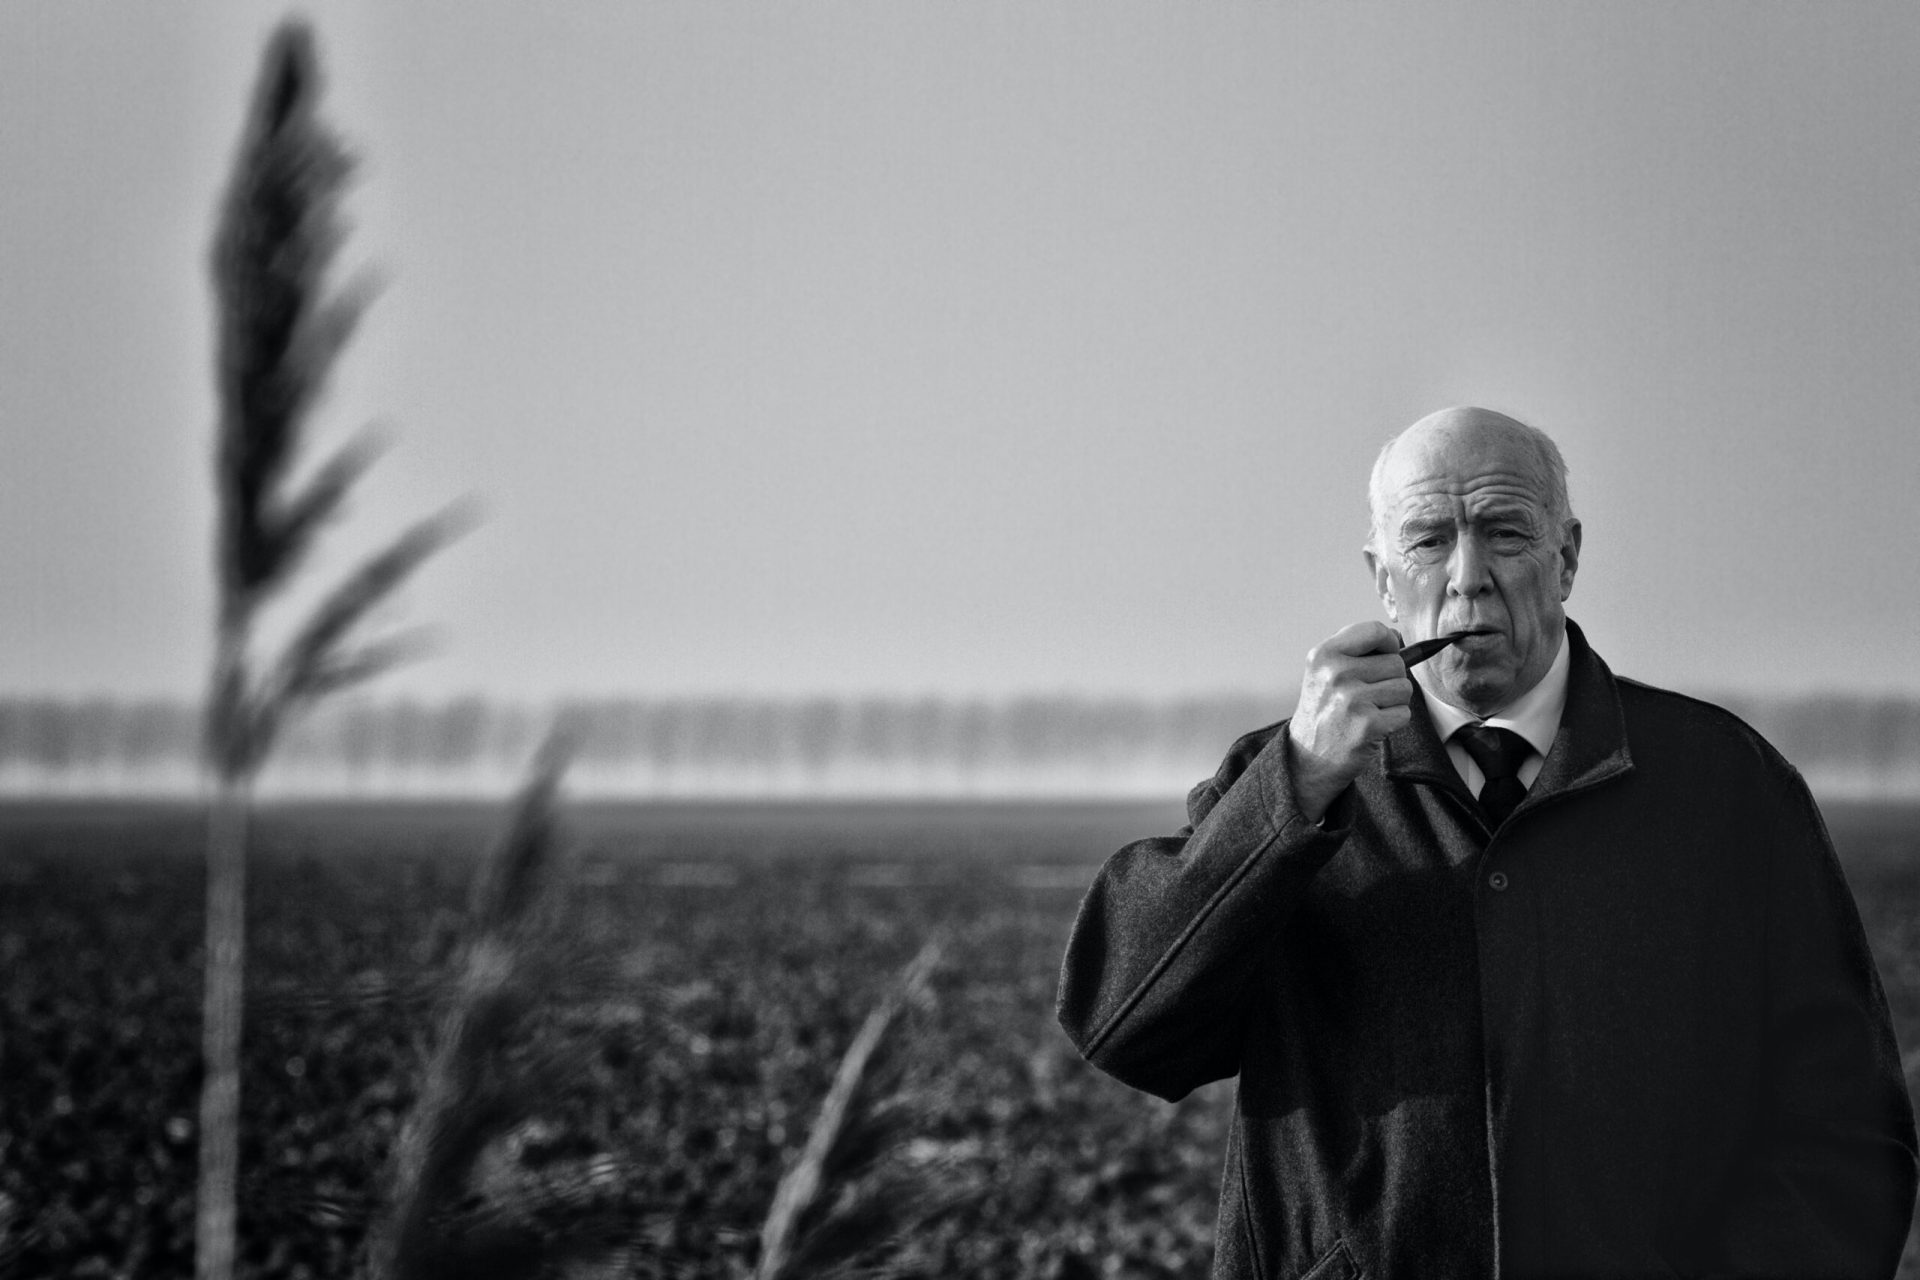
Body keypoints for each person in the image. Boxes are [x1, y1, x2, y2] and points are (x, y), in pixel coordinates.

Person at [1056, 407, 1918, 1279]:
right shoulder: (1282, 780)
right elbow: (1124, 1026)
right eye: (1428, 541)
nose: (1467, 579)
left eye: (1504, 532)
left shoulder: (1728, 784)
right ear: (1383, 580)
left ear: (1568, 558)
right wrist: (1295, 790)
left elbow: (1846, 1134)